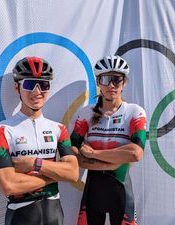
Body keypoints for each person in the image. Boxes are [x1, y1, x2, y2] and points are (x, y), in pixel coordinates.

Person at [0, 56, 79, 225]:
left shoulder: (59, 129)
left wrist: (34, 163)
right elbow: (7, 185)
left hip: (55, 215)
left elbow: (73, 173)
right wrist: (54, 177)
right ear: (17, 88)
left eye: (43, 85)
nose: (37, 92)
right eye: (29, 85)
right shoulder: (1, 131)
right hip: (20, 215)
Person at [71, 55, 147, 225]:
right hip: (93, 193)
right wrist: (112, 161)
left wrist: (94, 153)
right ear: (98, 82)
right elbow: (71, 153)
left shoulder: (135, 112)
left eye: (116, 80)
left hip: (120, 191)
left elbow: (135, 153)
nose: (111, 85)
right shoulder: (86, 113)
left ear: (124, 82)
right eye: (105, 79)